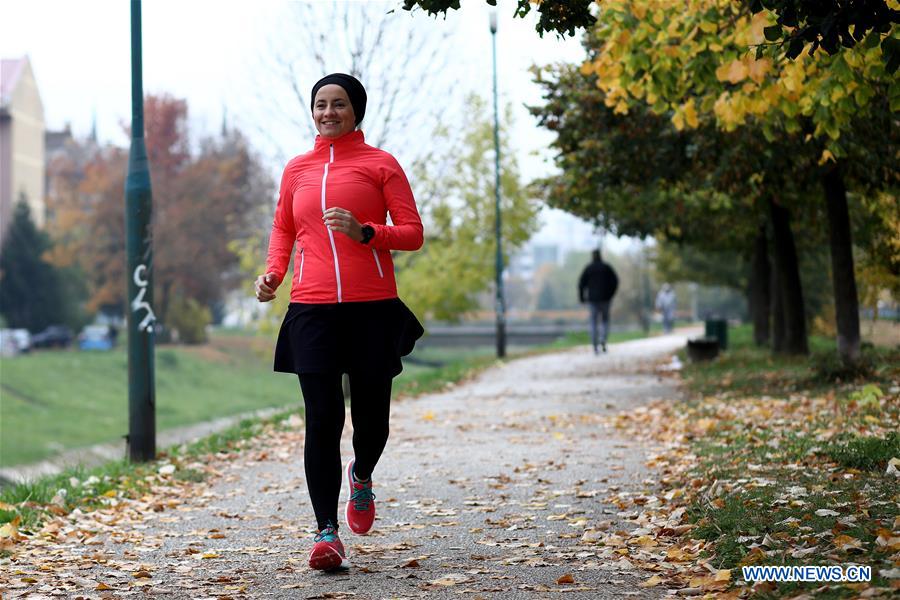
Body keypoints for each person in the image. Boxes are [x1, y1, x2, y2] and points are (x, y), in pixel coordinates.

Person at [254, 73, 424, 572]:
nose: (328, 112)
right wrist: (273, 274)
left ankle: (363, 474)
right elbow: (283, 228)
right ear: (312, 112)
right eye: (320, 105)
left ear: (356, 111)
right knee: (322, 419)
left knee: (371, 420)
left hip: (372, 307)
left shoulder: (381, 165)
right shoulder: (297, 169)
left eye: (339, 104)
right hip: (312, 307)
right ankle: (326, 533)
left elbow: (412, 233)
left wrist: (366, 232)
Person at [578, 249, 619, 354]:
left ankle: (595, 346)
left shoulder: (589, 268)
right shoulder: (606, 267)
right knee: (605, 320)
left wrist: (582, 297)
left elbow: (581, 283)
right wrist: (611, 294)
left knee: (593, 322)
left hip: (593, 300)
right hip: (606, 299)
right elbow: (615, 281)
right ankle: (603, 339)